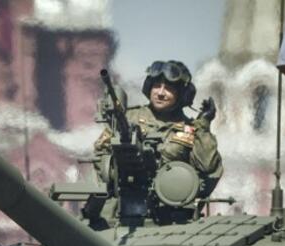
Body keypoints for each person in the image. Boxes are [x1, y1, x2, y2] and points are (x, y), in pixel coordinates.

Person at [95, 59, 223, 198]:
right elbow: (101, 155)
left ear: (182, 94)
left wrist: (203, 125)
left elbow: (208, 168)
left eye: (169, 88)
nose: (160, 93)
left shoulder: (193, 130)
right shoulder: (128, 118)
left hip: (171, 208)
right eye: (157, 86)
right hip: (123, 202)